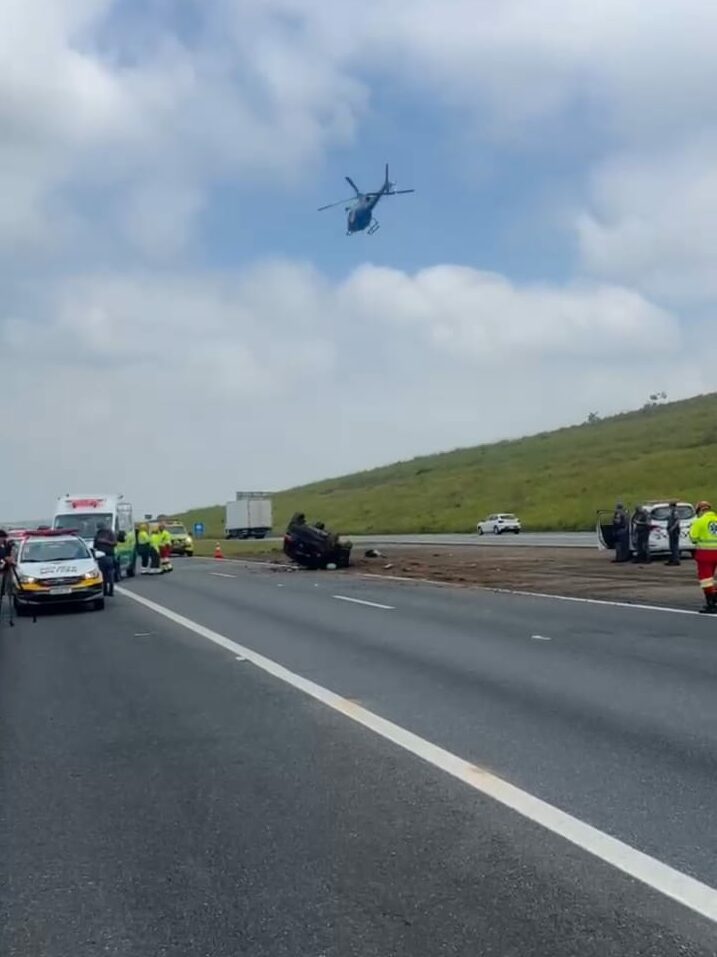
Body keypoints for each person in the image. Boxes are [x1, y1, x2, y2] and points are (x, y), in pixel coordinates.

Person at [689, 500, 717, 614]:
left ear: (700, 510)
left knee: (706, 579)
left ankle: (711, 602)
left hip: (705, 554)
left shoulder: (699, 521)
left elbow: (693, 538)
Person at [93, 522, 117, 597]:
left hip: (108, 556)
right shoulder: (98, 534)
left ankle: (110, 590)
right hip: (102, 557)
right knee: (104, 574)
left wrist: (105, 541)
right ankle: (106, 591)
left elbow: (114, 543)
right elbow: (95, 545)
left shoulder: (109, 533)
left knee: (109, 574)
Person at [665, 501, 681, 566]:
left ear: (673, 506)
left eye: (670, 506)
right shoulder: (672, 512)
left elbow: (677, 521)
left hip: (674, 531)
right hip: (672, 530)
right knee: (672, 546)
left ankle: (676, 560)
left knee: (674, 546)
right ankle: (672, 559)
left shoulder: (675, 512)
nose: (670, 507)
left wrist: (672, 528)